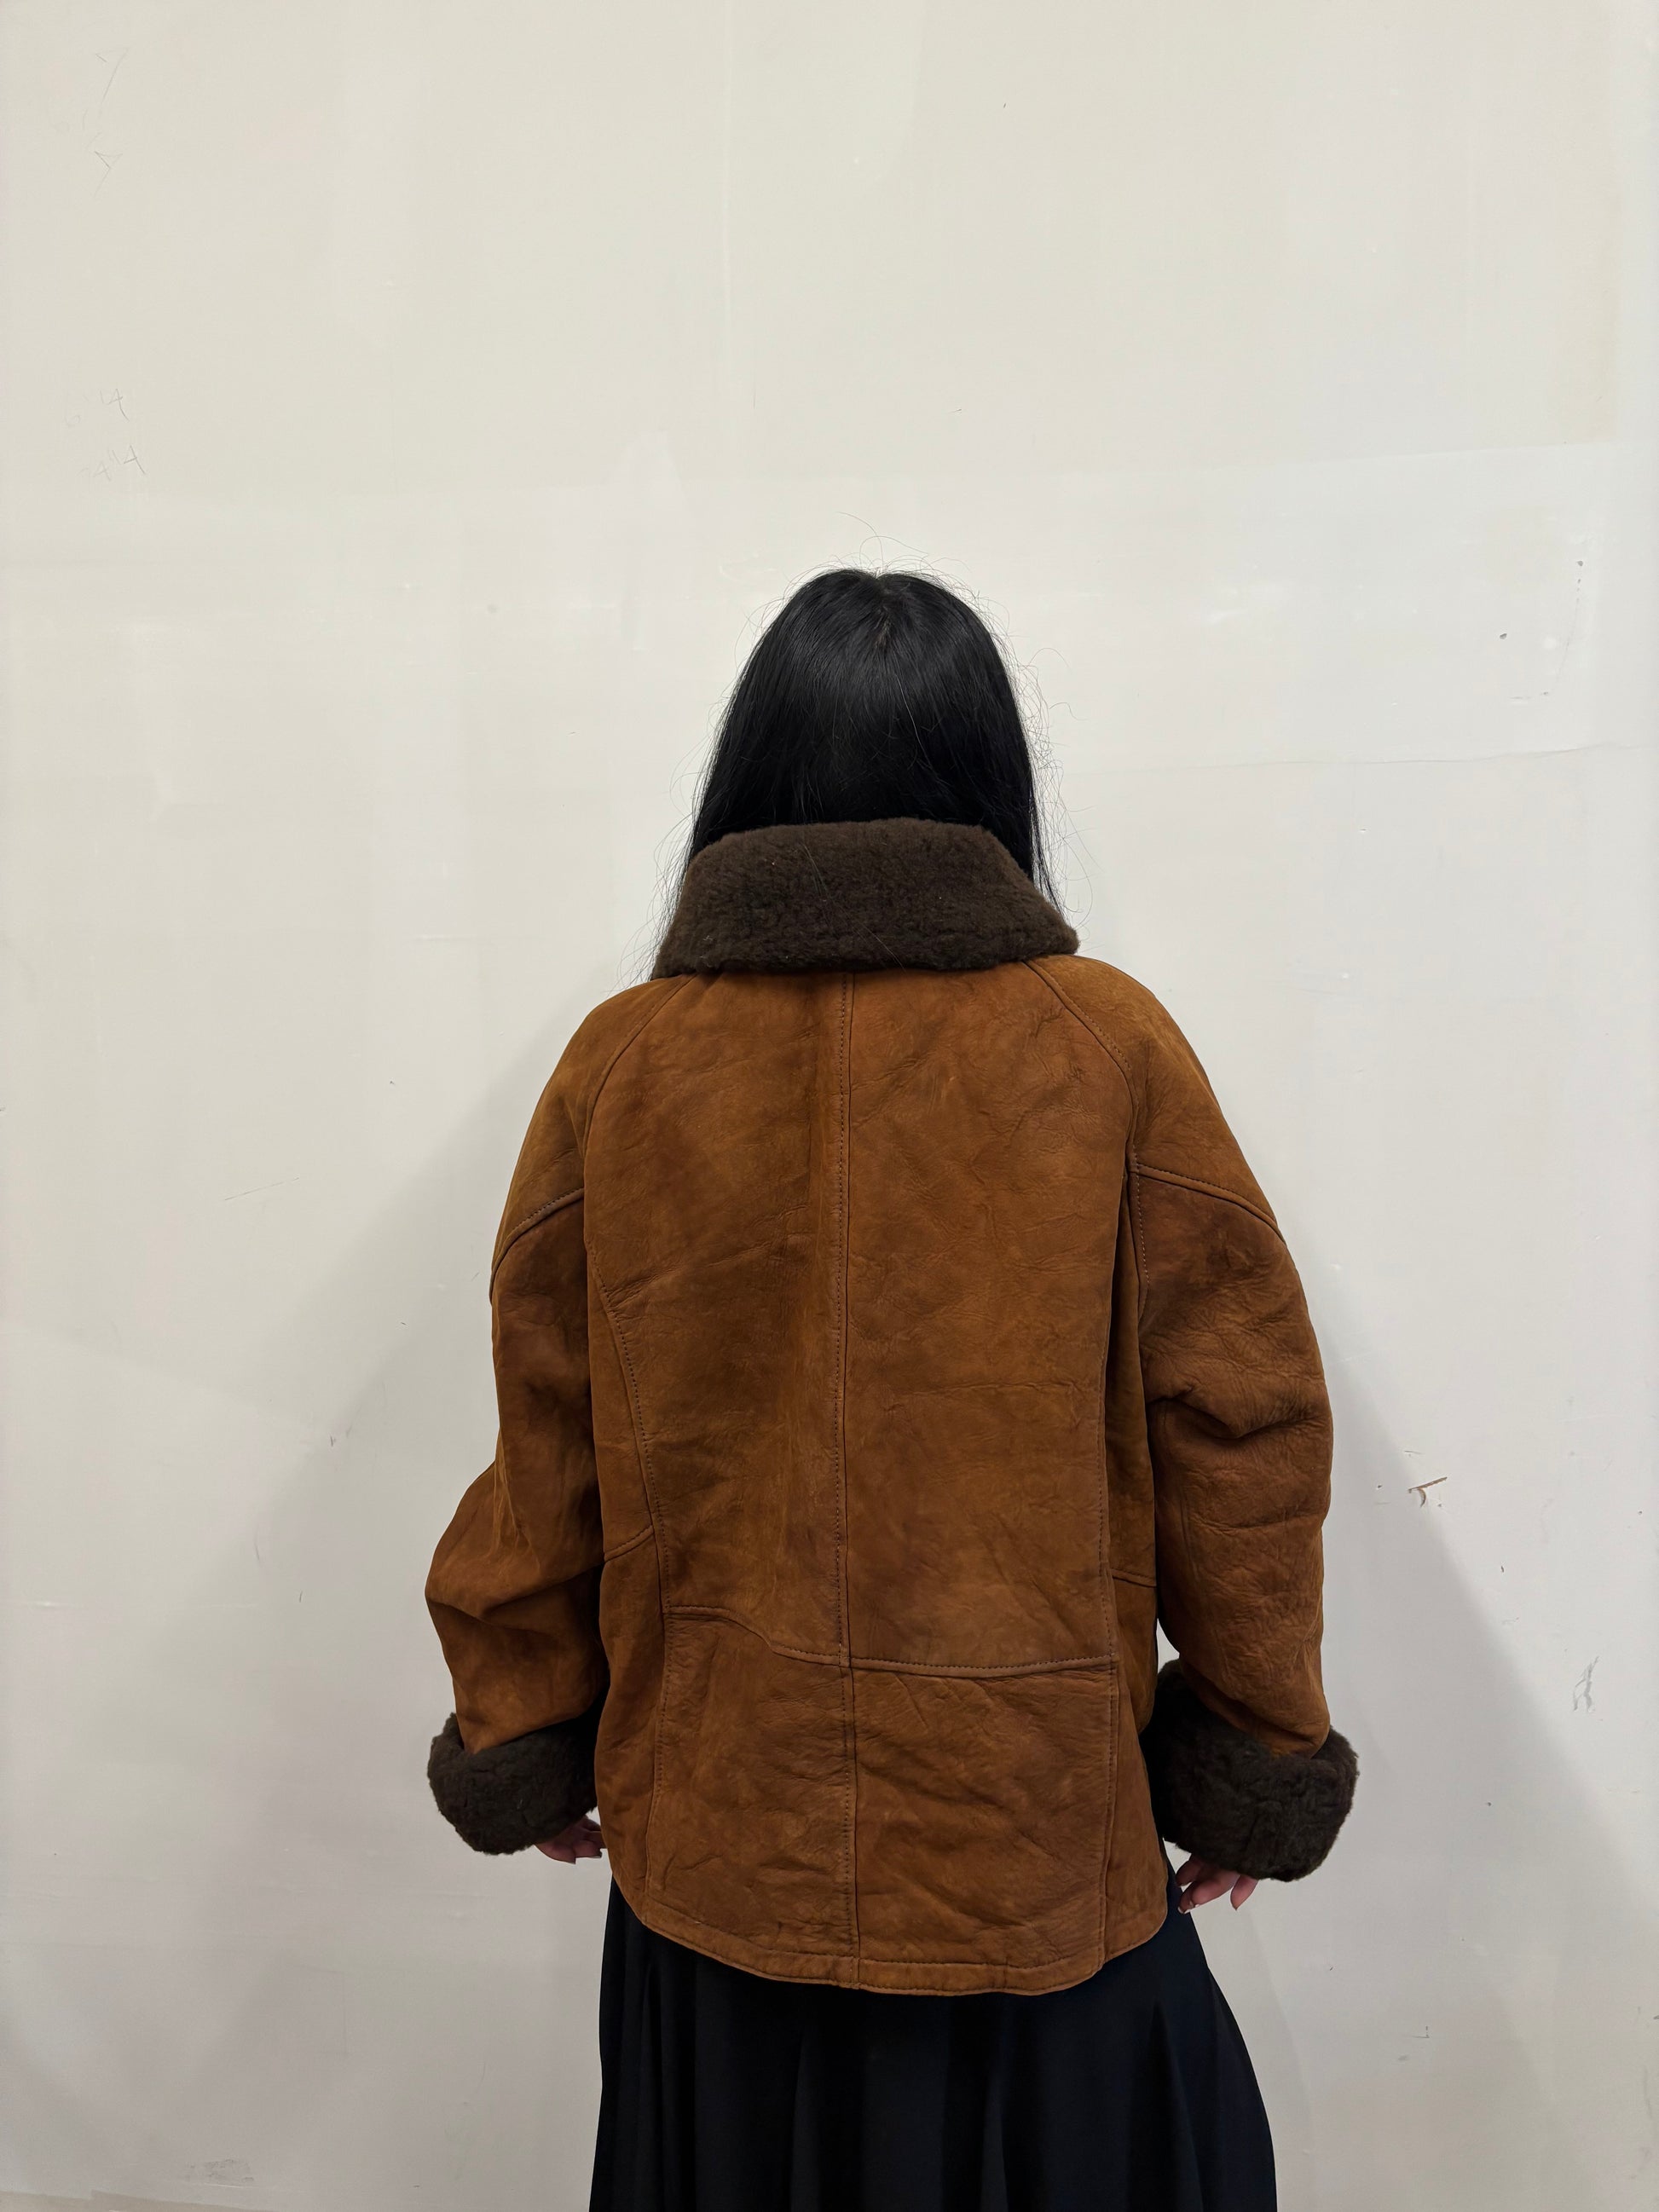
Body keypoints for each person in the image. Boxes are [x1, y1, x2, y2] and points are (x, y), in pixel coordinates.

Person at [422, 569, 1359, 2211]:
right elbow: (1239, 1424)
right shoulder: (1106, 1046)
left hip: (725, 1843)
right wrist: (1252, 1742)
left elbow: (545, 1426)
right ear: (989, 777)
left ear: (751, 773)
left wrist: (527, 1719)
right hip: (1025, 1844)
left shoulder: (623, 1065)